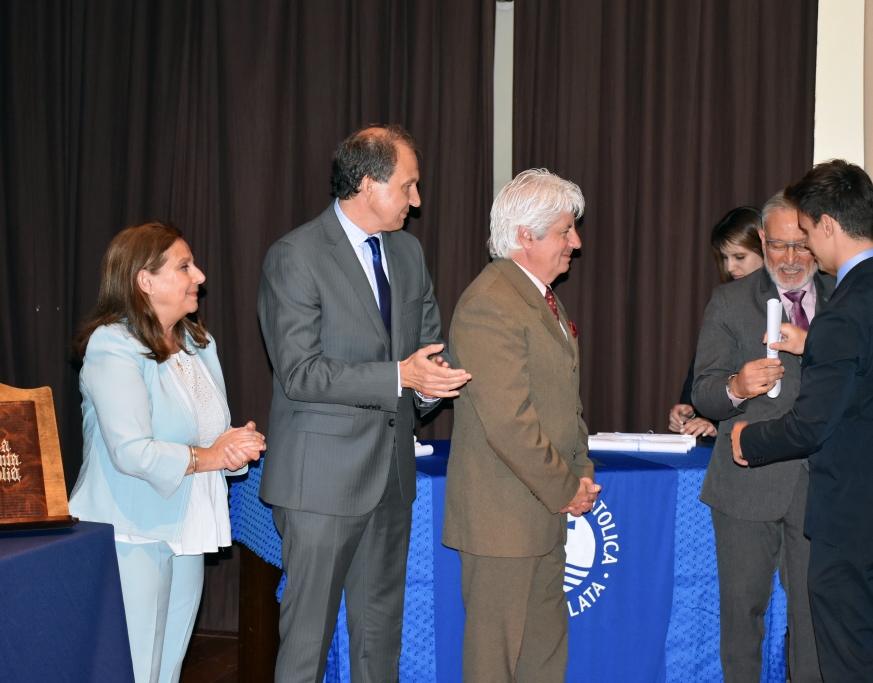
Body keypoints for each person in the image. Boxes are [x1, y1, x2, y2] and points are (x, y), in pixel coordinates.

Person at [257, 124, 470, 683]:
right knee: (307, 647)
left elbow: (427, 347)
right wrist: (401, 375)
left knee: (381, 645)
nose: (417, 200)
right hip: (320, 484)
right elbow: (300, 373)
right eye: (409, 186)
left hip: (392, 476)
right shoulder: (296, 255)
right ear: (370, 184)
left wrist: (429, 385)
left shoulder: (407, 252)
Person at [731, 160, 873, 682]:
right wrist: (817, 342)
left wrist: (746, 439)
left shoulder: (846, 311)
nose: (804, 246)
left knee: (849, 660)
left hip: (851, 509)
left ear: (828, 225)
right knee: (866, 639)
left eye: (806, 230)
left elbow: (810, 426)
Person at [69, 222, 265, 683]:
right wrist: (210, 456)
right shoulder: (112, 345)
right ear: (144, 280)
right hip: (131, 531)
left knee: (168, 668)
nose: (199, 276)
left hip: (186, 525)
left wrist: (232, 446)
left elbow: (206, 435)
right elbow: (132, 453)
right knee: (133, 670)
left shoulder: (200, 343)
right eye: (184, 266)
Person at [443, 168, 601, 682]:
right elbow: (510, 423)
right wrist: (566, 487)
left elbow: (565, 406)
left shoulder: (541, 298)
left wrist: (580, 471)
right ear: (524, 237)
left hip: (541, 514)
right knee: (495, 666)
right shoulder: (491, 302)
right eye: (564, 231)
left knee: (542, 661)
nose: (575, 243)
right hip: (503, 522)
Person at [691, 193, 833, 682]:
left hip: (823, 485)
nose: (790, 259)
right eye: (778, 246)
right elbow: (704, 393)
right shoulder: (731, 300)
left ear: (818, 242)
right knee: (742, 619)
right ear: (764, 243)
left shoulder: (845, 299)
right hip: (745, 484)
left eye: (801, 245)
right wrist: (734, 387)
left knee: (816, 619)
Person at [669, 206, 764, 437]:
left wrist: (718, 428)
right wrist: (690, 412)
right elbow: (703, 379)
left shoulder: (789, 308)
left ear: (766, 247)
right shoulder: (725, 303)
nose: (730, 267)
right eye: (725, 258)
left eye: (740, 257)